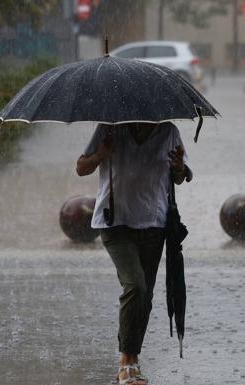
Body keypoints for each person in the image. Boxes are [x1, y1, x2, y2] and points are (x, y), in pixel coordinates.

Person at [76, 122, 188, 385]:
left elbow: (180, 176)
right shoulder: (109, 128)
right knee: (135, 286)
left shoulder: (168, 131)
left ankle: (132, 361)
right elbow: (81, 167)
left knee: (145, 297)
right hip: (116, 223)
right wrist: (100, 156)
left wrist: (179, 167)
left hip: (154, 223)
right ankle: (126, 361)